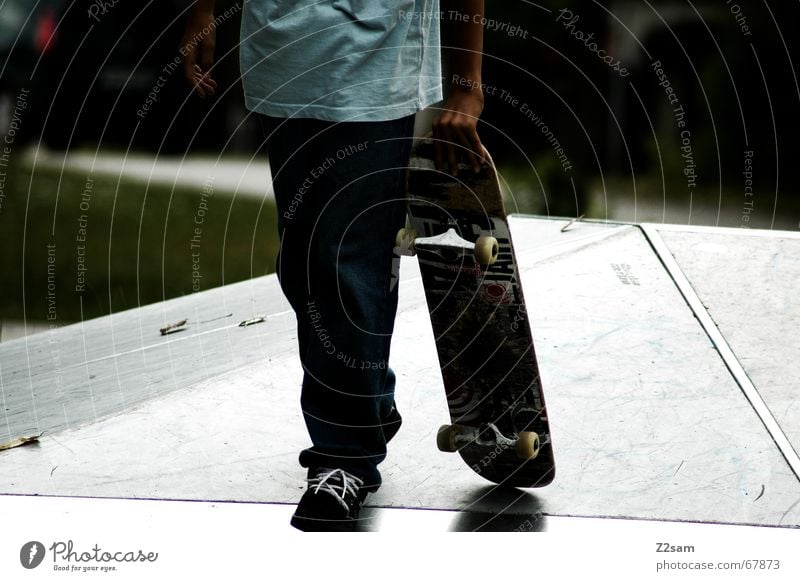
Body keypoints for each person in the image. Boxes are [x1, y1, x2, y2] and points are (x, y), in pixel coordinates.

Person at [181, 0, 486, 531]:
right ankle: (369, 400)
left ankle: (344, 458)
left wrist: (467, 83)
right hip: (283, 53)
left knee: (344, 260)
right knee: (302, 263)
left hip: (378, 59)